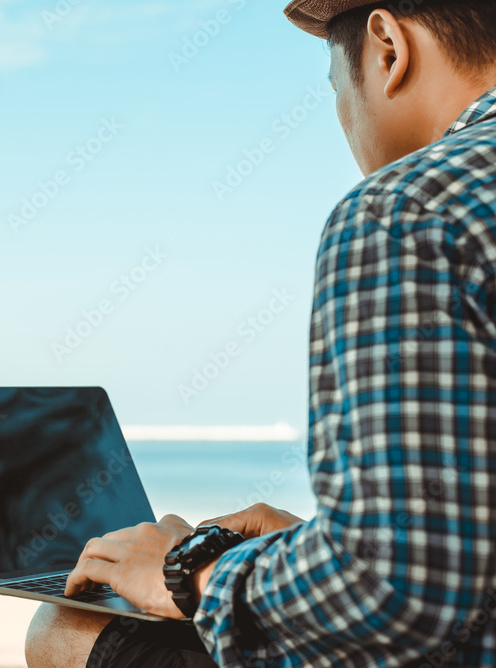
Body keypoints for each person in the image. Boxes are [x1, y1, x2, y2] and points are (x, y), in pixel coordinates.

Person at [25, 1, 496, 666]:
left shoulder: (405, 210)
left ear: (387, 47)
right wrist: (316, 546)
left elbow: (395, 595)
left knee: (64, 629)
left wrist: (189, 571)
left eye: (335, 87)